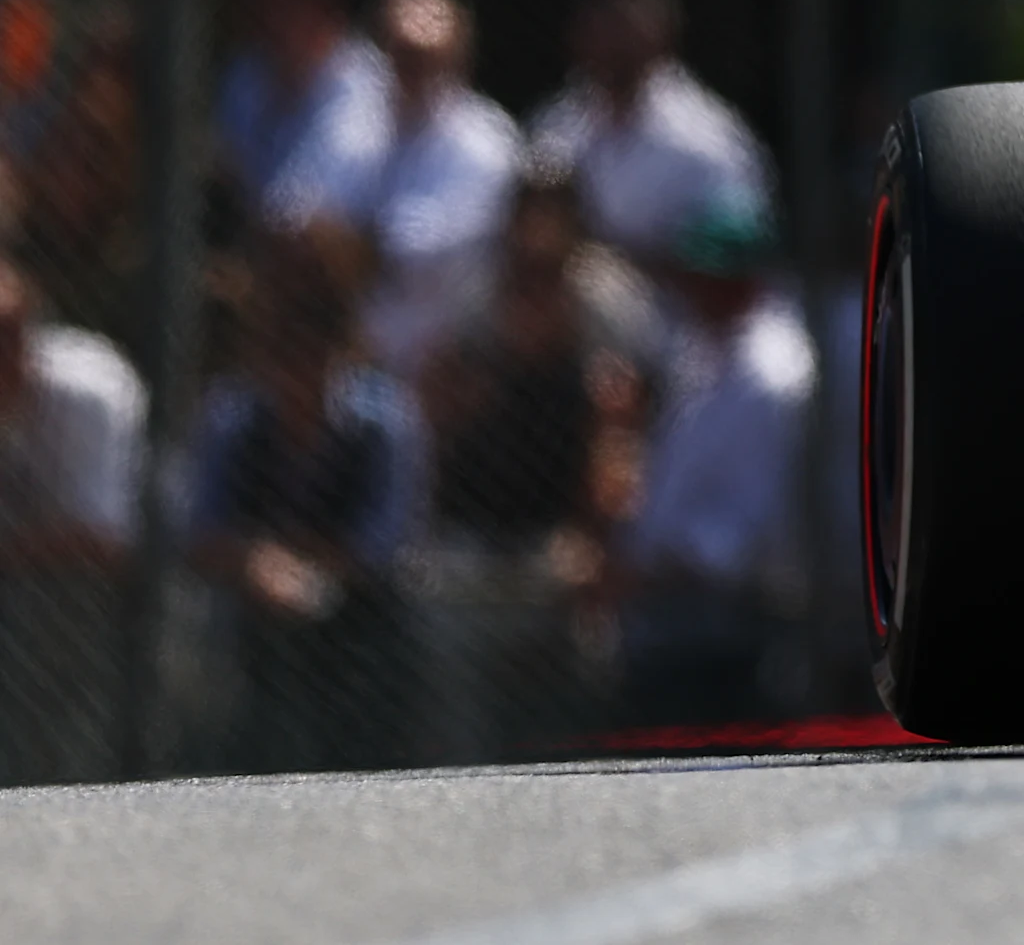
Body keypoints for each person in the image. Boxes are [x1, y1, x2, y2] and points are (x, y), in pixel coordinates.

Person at [412, 173, 641, 761]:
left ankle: (583, 769)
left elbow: (619, 455)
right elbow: (435, 435)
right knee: (445, 628)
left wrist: (595, 542)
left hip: (557, 545)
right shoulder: (476, 307)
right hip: (474, 545)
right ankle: (461, 781)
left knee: (592, 652)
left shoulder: (603, 316)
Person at [186, 227, 425, 774]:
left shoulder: (384, 420)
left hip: (359, 621)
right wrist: (256, 565)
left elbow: (384, 544)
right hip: (252, 618)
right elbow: (201, 532)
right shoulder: (232, 415)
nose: (296, 367)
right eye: (282, 349)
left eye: (311, 347)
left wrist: (302, 568)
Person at [617, 195, 814, 726]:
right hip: (676, 611)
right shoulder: (702, 348)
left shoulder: (772, 375)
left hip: (741, 623)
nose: (693, 287)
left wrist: (641, 575)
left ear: (744, 280)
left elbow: (742, 535)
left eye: (708, 276)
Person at [527, 0, 770, 291]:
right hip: (585, 326)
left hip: (684, 325)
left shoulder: (708, 135)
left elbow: (740, 250)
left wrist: (632, 261)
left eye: (626, 29)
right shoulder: (557, 124)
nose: (613, 43)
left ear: (663, 35)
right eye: (602, 28)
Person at [0, 254, 143, 783]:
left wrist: (12, 553)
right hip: (23, 579)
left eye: (9, 337)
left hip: (107, 594)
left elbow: (103, 541)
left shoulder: (87, 390)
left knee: (53, 596)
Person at [357, 0, 523, 378]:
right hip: (360, 357)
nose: (410, 71)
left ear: (457, 59)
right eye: (399, 53)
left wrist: (356, 241)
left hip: (451, 365)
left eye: (424, 58)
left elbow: (427, 253)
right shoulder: (358, 125)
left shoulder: (487, 140)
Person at [215, 0, 392, 231]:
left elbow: (312, 218)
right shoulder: (247, 74)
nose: (266, 18)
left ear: (325, 9)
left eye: (281, 4)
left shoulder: (370, 90)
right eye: (261, 2)